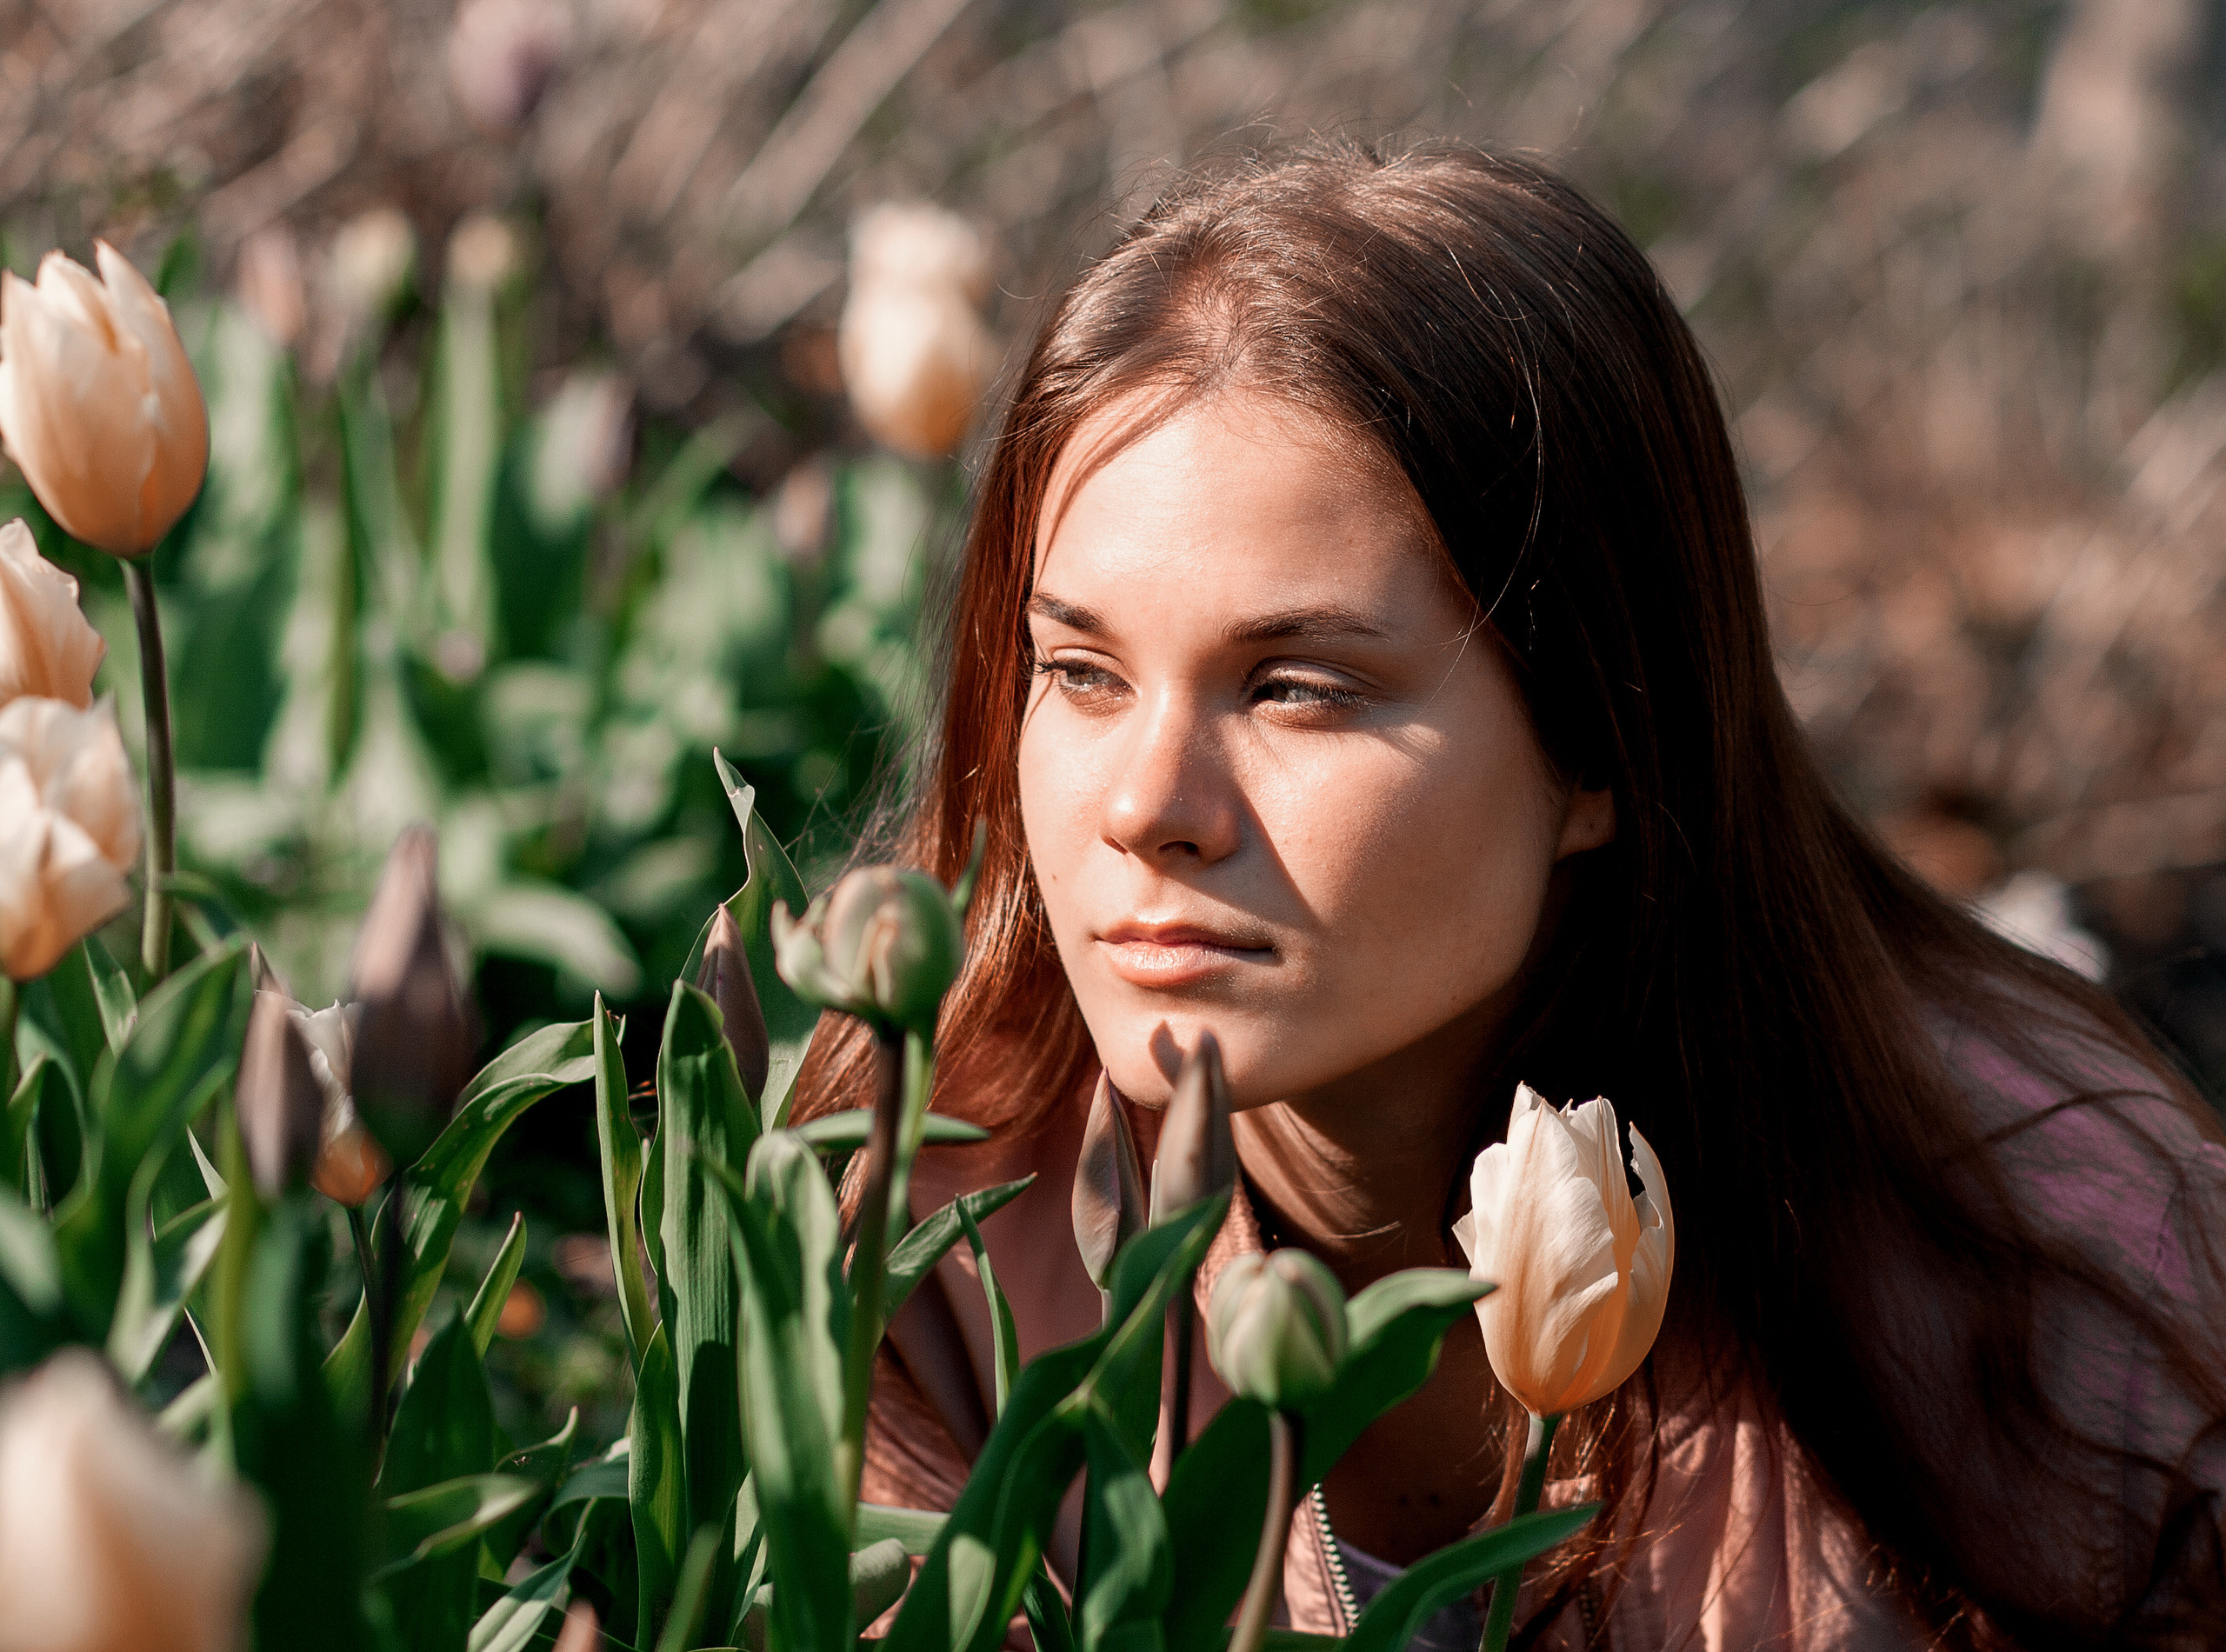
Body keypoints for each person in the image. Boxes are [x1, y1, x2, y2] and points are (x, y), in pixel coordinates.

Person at [794, 142, 2226, 1650]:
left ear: (1601, 742)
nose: (1146, 808)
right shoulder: (934, 1226)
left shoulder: (2048, 1297)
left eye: (1296, 688)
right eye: (1083, 671)